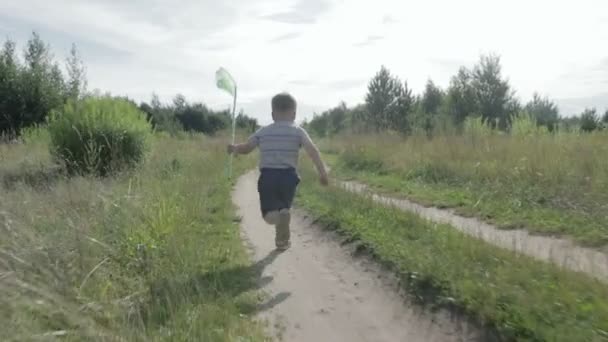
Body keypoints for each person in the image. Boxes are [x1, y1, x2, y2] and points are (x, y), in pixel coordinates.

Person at [228, 92, 329, 250]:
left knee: (270, 216)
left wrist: (235, 148)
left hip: (268, 177)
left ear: (273, 114)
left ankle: (277, 219)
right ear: (294, 114)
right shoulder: (298, 131)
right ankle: (282, 240)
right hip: (289, 177)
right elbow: (312, 151)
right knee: (283, 208)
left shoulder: (263, 131)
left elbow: (247, 148)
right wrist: (322, 173)